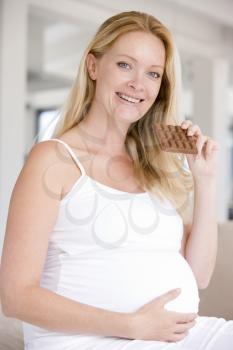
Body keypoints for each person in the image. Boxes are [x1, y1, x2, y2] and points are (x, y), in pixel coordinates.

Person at [0, 10, 232, 350]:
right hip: (92, 341)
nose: (138, 84)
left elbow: (200, 276)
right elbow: (15, 297)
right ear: (93, 66)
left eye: (153, 73)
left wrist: (205, 179)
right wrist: (131, 325)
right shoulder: (53, 159)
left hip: (179, 335)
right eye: (125, 65)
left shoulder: (155, 166)